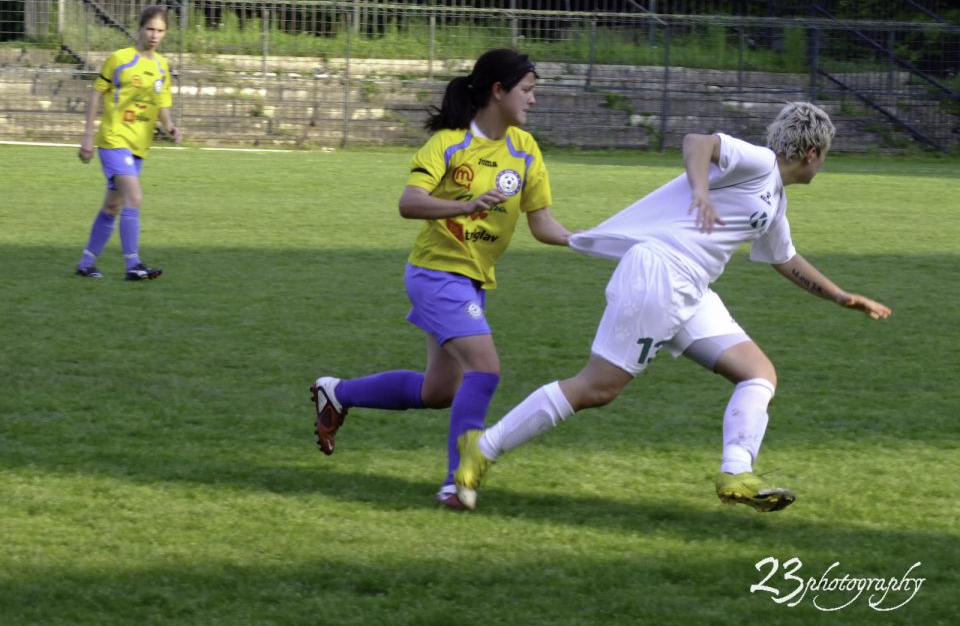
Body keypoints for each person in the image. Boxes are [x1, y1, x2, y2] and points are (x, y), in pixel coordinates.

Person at [454, 102, 892, 512]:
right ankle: (482, 447)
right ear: (813, 153)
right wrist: (700, 192)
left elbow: (784, 258)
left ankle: (736, 473)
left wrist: (839, 296)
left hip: (693, 288)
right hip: (661, 273)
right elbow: (698, 142)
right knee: (598, 387)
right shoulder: (759, 162)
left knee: (758, 373)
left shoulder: (774, 199)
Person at [311, 48, 573, 509]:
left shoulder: (525, 149)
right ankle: (458, 481)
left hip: (472, 279)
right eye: (527, 91)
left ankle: (338, 392)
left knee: (438, 392)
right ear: (498, 91)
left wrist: (593, 240)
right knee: (485, 370)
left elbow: (542, 224)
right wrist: (464, 205)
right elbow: (409, 202)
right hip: (436, 273)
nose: (533, 101)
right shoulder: (450, 143)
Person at [75, 4, 182, 280]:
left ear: (165, 33)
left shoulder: (161, 66)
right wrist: (87, 136)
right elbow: (96, 95)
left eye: (160, 31)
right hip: (113, 139)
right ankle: (133, 265)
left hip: (139, 146)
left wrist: (169, 125)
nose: (154, 35)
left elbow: (161, 104)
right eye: (150, 29)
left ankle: (86, 264)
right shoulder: (120, 59)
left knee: (113, 205)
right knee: (134, 197)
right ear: (140, 28)